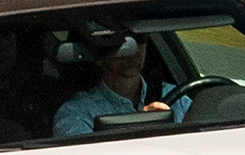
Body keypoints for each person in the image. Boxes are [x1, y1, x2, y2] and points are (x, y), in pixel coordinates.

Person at [54, 36, 187, 138]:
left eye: (139, 38)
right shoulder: (76, 113)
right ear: (97, 55)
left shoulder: (177, 97)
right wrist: (145, 129)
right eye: (120, 41)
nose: (133, 49)